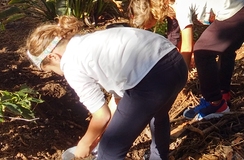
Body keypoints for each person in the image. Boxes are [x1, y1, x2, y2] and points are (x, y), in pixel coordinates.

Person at [25, 16, 188, 160]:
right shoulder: (91, 41)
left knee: (109, 150)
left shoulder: (70, 64)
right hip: (175, 63)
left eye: (51, 69)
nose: (57, 74)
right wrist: (97, 136)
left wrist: (85, 144)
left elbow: (101, 116)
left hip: (152, 80)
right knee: (158, 116)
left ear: (53, 57)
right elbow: (117, 103)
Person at [131, 0, 244, 120]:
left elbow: (188, 46)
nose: (168, 16)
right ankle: (222, 93)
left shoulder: (181, 3)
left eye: (163, 12)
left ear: (166, 2)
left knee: (202, 50)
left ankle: (215, 103)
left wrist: (179, 78)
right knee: (224, 46)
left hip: (242, 8)